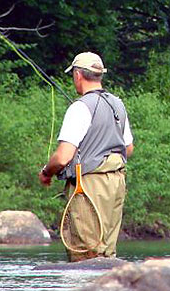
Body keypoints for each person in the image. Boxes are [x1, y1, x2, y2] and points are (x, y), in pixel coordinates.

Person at [38, 51, 134, 261]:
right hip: (116, 183)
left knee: (85, 253)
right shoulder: (118, 104)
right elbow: (128, 148)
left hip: (89, 185)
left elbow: (63, 157)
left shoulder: (79, 108)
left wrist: (46, 172)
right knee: (107, 252)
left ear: (78, 75)